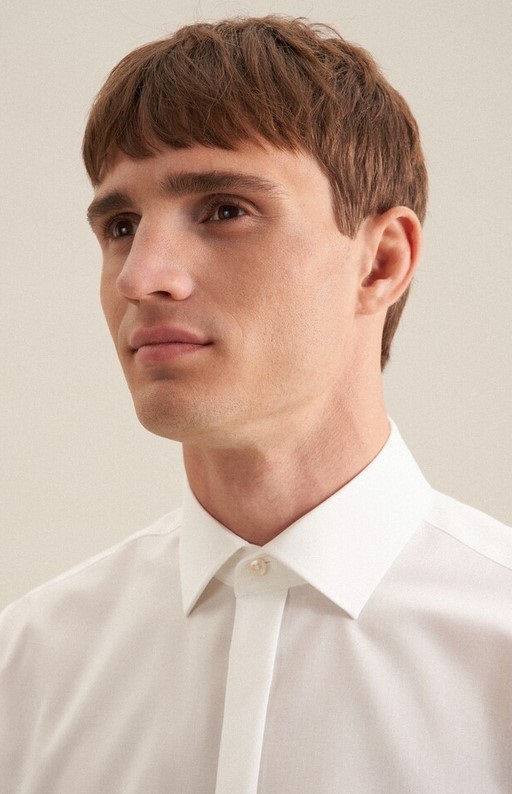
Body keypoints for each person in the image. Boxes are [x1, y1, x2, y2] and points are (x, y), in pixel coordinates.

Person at [1, 15, 511, 793]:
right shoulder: (30, 665)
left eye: (224, 210)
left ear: (381, 262)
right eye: (121, 226)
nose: (141, 277)